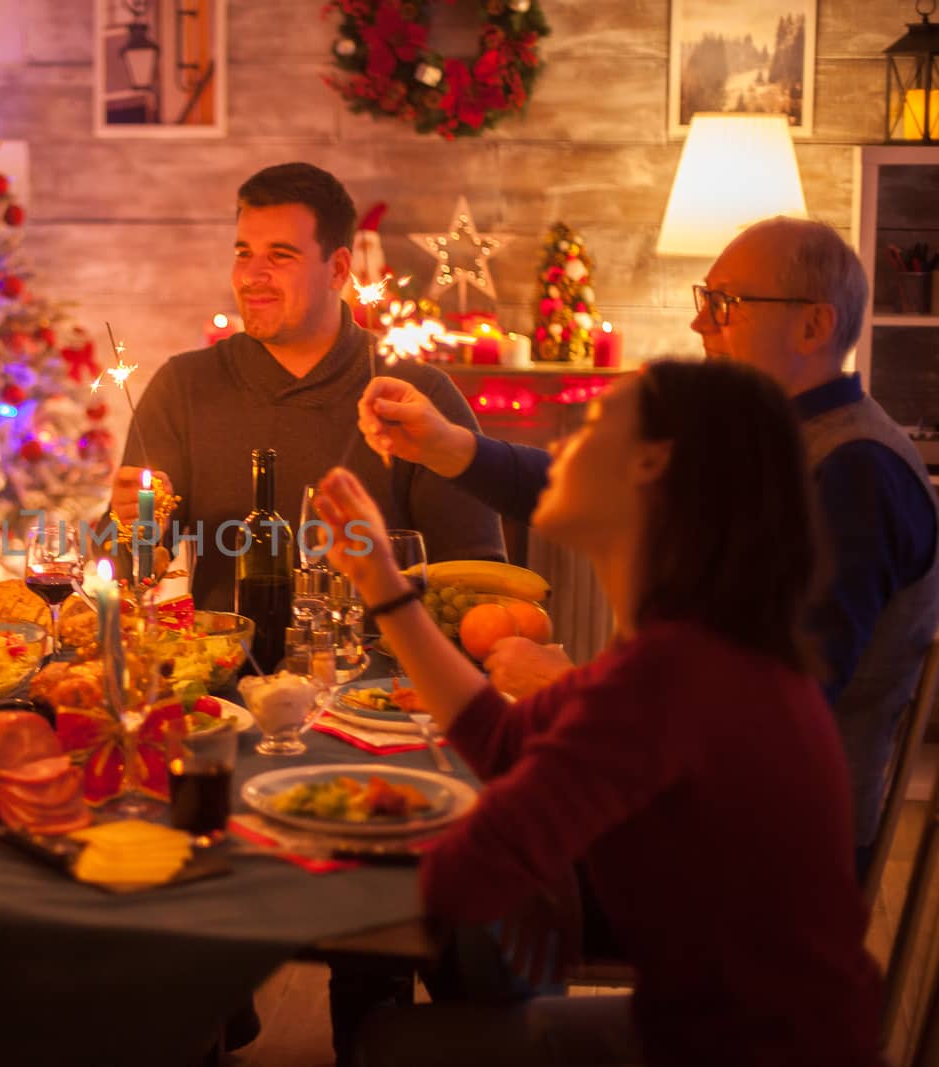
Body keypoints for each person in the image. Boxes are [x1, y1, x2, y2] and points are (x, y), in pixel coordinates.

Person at [317, 360, 882, 1067]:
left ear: (650, 463)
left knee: (391, 1044)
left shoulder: (672, 672)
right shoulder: (689, 643)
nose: (557, 458)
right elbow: (498, 736)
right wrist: (381, 583)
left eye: (587, 428)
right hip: (745, 1032)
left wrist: (301, 837)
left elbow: (465, 877)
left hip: (743, 1051)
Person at [359, 216, 939, 874]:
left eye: (726, 305)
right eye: (705, 301)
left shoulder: (855, 473)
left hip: (757, 854)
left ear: (813, 326)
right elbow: (590, 486)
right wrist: (447, 445)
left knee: (436, 849)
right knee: (432, 815)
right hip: (688, 798)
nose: (701, 326)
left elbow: (770, 713)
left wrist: (571, 685)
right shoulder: (763, 436)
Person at [110, 162, 505, 611]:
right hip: (223, 674)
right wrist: (132, 530)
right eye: (243, 253)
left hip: (378, 674)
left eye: (280, 255)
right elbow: (126, 569)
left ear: (337, 270)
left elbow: (479, 580)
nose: (250, 276)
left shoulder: (416, 394)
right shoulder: (183, 386)